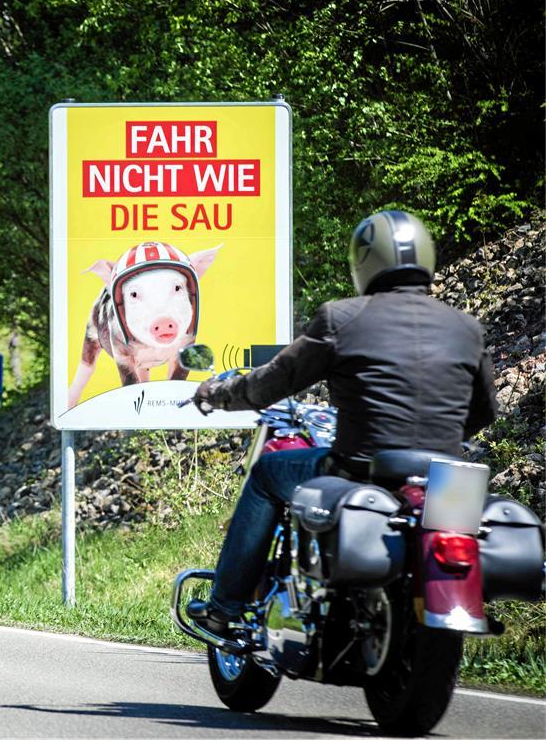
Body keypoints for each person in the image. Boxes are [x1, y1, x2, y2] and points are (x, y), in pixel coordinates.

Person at [186, 210, 498, 635]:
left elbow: (269, 385)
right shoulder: (466, 327)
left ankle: (224, 608)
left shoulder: (342, 318)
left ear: (364, 262)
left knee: (265, 474)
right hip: (447, 477)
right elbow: (483, 412)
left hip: (361, 468)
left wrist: (217, 394)